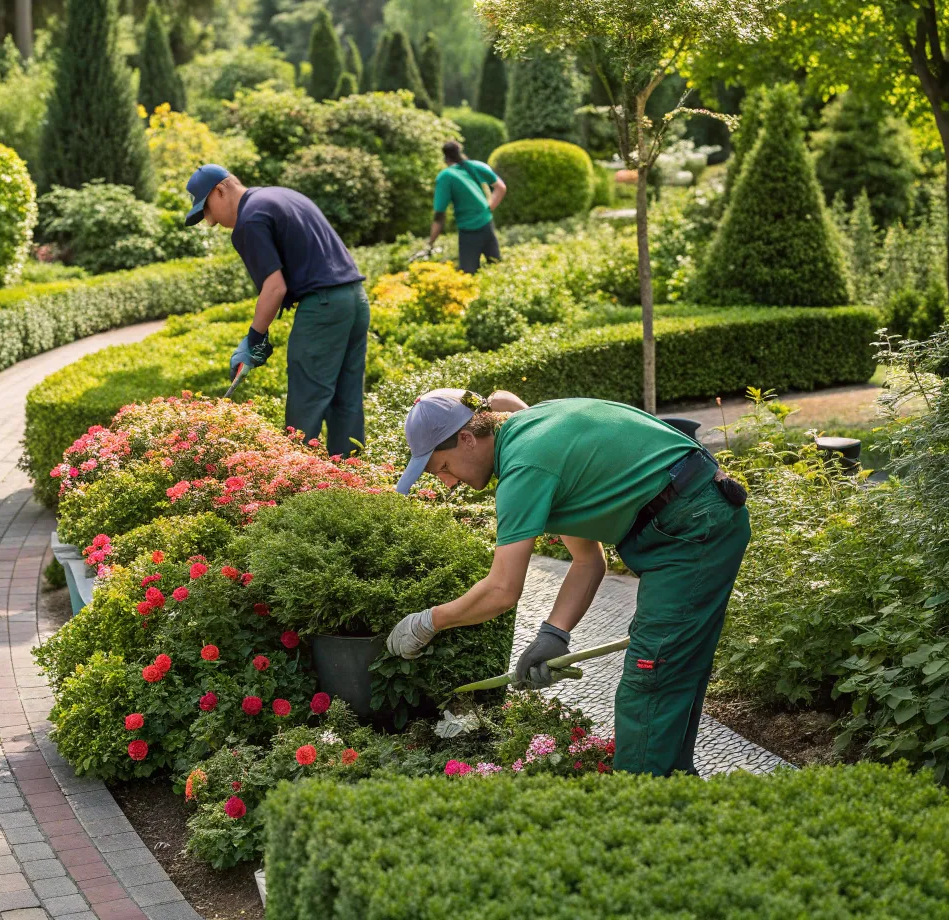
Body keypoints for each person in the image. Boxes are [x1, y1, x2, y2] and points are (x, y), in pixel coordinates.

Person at [385, 390, 751, 777]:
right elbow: (588, 561)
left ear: (467, 438)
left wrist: (429, 622)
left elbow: (501, 590)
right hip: (694, 513)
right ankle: (675, 790)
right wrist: (554, 634)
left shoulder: (524, 468)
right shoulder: (526, 429)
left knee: (652, 674)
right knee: (674, 668)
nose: (446, 483)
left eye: (441, 467)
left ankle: (640, 811)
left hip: (691, 528)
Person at [184, 164, 369, 457]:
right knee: (345, 399)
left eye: (207, 211)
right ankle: (353, 479)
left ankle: (295, 483)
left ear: (219, 191)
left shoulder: (249, 220)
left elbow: (274, 287)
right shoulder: (279, 195)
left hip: (323, 308)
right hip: (355, 300)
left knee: (306, 399)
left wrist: (254, 339)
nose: (211, 222)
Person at [430, 140, 507, 274]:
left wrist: (431, 242)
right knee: (496, 267)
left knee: (469, 274)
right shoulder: (476, 166)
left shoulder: (446, 176)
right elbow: (501, 187)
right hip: (487, 223)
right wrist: (489, 207)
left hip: (468, 230)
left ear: (445, 158)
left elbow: (439, 215)